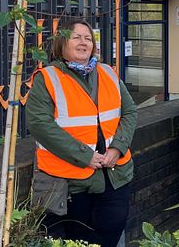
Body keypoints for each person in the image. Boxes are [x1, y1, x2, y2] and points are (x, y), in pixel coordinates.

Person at [26, 19, 137, 247]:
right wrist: (85, 155)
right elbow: (40, 125)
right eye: (76, 37)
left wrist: (117, 147)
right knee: (80, 238)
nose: (83, 42)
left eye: (88, 38)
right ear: (61, 43)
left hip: (115, 174)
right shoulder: (47, 78)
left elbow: (130, 111)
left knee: (112, 230)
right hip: (72, 179)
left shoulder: (107, 72)